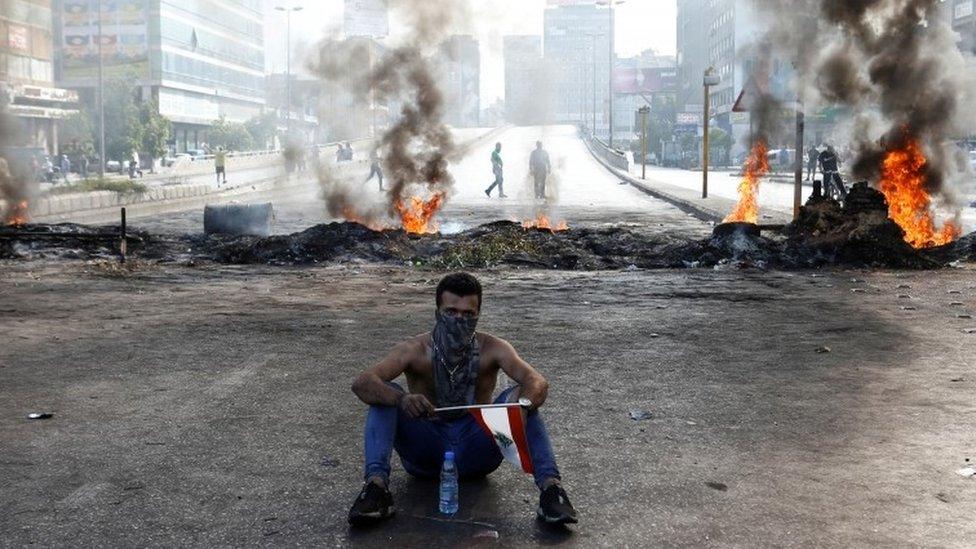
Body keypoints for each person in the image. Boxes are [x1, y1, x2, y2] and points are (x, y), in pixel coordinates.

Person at [347, 273, 578, 526]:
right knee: (385, 395)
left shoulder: (494, 347)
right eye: (451, 311)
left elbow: (537, 381)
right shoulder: (414, 349)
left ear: (478, 314)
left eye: (468, 314)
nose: (459, 319)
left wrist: (522, 406)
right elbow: (363, 383)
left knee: (521, 399)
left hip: (477, 452)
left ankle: (552, 490)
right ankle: (376, 488)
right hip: (427, 454)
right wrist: (402, 399)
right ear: (437, 311)